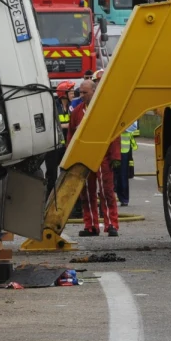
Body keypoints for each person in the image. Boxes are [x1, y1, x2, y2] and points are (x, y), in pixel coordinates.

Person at [68, 79, 120, 237]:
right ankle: (91, 225)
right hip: (84, 157)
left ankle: (111, 224)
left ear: (94, 92)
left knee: (106, 192)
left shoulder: (105, 111)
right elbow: (71, 135)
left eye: (85, 93)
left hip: (103, 156)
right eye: (80, 93)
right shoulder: (77, 112)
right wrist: (70, 156)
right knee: (86, 193)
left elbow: (114, 134)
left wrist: (115, 156)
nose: (82, 95)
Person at [44, 82, 73, 196]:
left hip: (66, 146)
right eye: (70, 91)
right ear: (63, 94)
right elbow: (51, 123)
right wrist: (67, 125)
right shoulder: (54, 107)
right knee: (52, 175)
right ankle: (49, 199)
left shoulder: (72, 106)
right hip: (54, 147)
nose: (73, 93)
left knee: (65, 174)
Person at [116, 119, 138, 206]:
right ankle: (116, 197)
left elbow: (134, 127)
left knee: (123, 175)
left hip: (124, 150)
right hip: (112, 148)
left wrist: (121, 126)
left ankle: (124, 199)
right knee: (113, 176)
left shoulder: (129, 112)